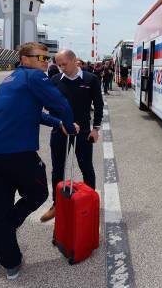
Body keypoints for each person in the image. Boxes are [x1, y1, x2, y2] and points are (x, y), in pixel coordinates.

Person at [0, 42, 78, 280]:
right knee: (38, 194)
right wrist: (69, 126)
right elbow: (62, 104)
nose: (45, 62)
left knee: (0, 210)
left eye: (47, 58)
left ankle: (10, 262)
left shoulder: (10, 80)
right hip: (16, 155)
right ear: (25, 59)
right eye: (40, 57)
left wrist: (56, 124)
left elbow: (31, 112)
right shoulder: (34, 77)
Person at [40, 49, 104, 222]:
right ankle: (56, 204)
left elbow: (98, 105)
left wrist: (95, 129)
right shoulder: (54, 81)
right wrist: (58, 122)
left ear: (74, 60)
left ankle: (90, 202)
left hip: (83, 132)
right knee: (57, 170)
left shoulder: (91, 80)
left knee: (86, 168)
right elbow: (48, 107)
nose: (61, 68)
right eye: (59, 65)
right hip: (60, 131)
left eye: (64, 64)